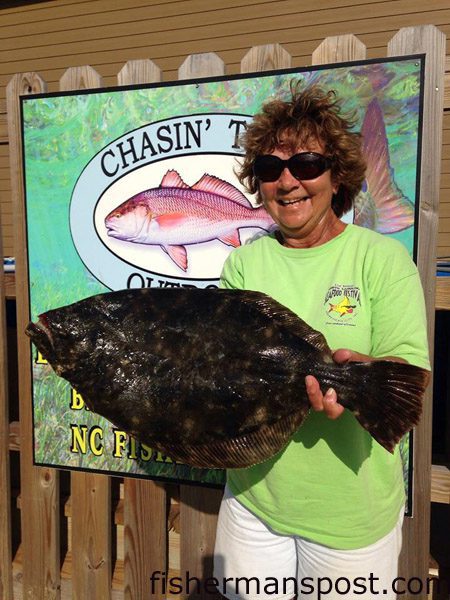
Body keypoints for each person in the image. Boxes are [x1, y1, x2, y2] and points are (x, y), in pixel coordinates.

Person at [213, 83, 430, 600]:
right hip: (253, 503)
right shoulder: (244, 263)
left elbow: (408, 371)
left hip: (350, 520)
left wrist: (361, 377)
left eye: (307, 164)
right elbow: (225, 363)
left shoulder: (382, 260)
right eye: (269, 168)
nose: (287, 182)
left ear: (337, 176)